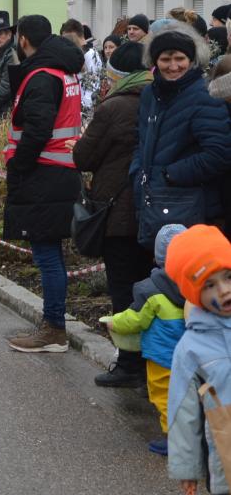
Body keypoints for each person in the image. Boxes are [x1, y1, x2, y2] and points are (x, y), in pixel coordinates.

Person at [72, 41, 153, 387]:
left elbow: (83, 158)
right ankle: (153, 362)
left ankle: (130, 363)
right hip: (155, 212)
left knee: (123, 290)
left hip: (118, 212)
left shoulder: (114, 107)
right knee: (153, 288)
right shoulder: (160, 101)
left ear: (119, 75)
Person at [2, 15, 84, 354]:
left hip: (42, 174)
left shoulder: (40, 76)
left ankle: (53, 328)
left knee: (47, 255)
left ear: (22, 40)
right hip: (60, 173)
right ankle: (54, 325)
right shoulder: (64, 71)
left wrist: (18, 166)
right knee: (52, 254)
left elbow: (36, 129)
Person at [130, 23, 231, 247]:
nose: (173, 66)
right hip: (154, 202)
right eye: (165, 59)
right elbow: (141, 140)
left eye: (180, 58)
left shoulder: (205, 96)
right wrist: (137, 173)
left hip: (193, 206)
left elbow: (219, 154)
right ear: (155, 62)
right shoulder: (150, 94)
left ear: (192, 59)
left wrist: (169, 175)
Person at [106, 223, 187, 456]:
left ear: (156, 256)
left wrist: (114, 322)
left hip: (161, 359)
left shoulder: (152, 291)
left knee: (164, 397)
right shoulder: (197, 287)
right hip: (190, 356)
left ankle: (174, 440)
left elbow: (135, 320)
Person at [165, 224, 231, 494]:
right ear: (194, 294)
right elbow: (183, 411)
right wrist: (187, 469)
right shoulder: (191, 349)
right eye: (210, 285)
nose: (225, 290)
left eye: (229, 276)